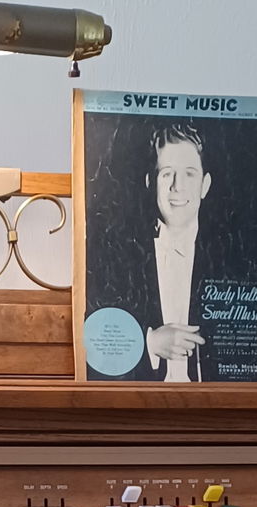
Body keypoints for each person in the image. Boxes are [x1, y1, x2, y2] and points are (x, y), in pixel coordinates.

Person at [87, 120, 217, 381]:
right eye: (167, 173)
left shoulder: (229, 255)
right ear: (150, 182)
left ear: (204, 185)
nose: (177, 186)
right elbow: (94, 347)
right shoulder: (117, 254)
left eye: (189, 174)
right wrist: (151, 344)